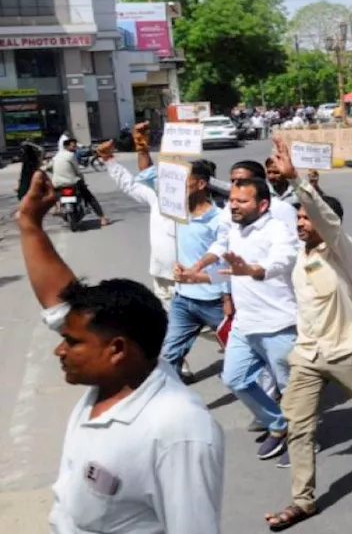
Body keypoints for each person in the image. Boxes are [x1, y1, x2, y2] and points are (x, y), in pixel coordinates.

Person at [16, 170, 223, 534]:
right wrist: (30, 223)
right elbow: (61, 299)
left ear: (117, 349)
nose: (59, 350)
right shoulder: (115, 380)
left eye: (73, 342)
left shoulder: (177, 429)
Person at [264, 139, 352, 531]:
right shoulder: (300, 256)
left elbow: (325, 219)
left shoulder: (343, 250)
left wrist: (300, 184)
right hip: (307, 355)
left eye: (307, 219)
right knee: (299, 425)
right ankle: (303, 501)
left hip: (346, 350)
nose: (301, 225)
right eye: (298, 220)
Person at [186, 177, 300, 462]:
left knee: (292, 392)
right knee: (234, 378)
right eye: (233, 200)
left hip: (278, 326)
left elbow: (282, 261)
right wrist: (196, 271)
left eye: (242, 201)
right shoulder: (234, 230)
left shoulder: (279, 230)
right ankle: (278, 425)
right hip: (244, 324)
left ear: (262, 204)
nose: (234, 206)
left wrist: (252, 270)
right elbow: (221, 254)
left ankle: (300, 445)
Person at [153, 159, 232, 377]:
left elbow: (229, 271)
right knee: (169, 355)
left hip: (214, 303)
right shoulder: (179, 213)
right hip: (182, 301)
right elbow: (150, 180)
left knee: (242, 353)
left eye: (185, 180)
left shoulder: (220, 220)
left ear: (201, 185)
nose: (178, 186)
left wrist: (226, 299)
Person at [101, 125, 176, 309]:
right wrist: (109, 159)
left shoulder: (217, 209)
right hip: (164, 275)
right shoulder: (159, 197)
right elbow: (135, 182)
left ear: (201, 183)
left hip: (200, 282)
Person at [49, 136, 110, 225]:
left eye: (75, 146)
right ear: (66, 147)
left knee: (55, 195)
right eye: (73, 147)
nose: (75, 148)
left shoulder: (56, 156)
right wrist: (82, 180)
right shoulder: (71, 155)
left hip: (57, 184)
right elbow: (77, 171)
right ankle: (102, 218)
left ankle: (57, 207)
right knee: (89, 197)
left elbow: (48, 167)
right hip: (71, 182)